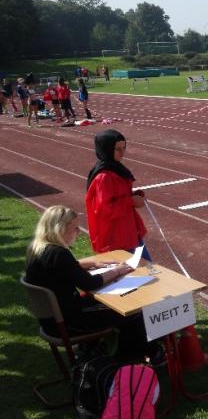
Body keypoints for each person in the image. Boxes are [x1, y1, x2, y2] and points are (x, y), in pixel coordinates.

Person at [24, 205, 154, 358]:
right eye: (75, 228)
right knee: (131, 310)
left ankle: (93, 347)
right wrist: (117, 271)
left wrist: (92, 263)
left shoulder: (38, 249)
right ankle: (133, 355)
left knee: (104, 302)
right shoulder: (59, 254)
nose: (78, 232)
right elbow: (90, 284)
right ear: (61, 230)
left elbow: (65, 268)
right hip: (70, 323)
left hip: (51, 320)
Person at [85, 130, 149, 257]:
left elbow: (117, 196)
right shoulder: (104, 177)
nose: (122, 152)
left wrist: (134, 195)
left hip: (128, 232)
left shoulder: (115, 168)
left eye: (124, 148)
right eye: (117, 149)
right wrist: (131, 201)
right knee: (142, 267)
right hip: (117, 238)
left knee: (146, 266)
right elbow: (104, 209)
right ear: (107, 149)